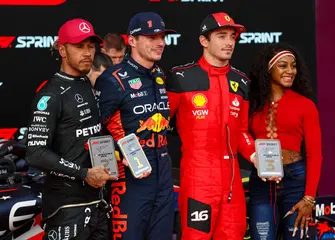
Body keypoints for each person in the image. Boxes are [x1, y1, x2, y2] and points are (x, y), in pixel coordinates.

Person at [166, 12, 256, 240]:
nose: (229, 42)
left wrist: (257, 155)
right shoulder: (181, 78)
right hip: (198, 179)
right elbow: (160, 124)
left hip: (233, 183)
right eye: (222, 36)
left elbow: (242, 131)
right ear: (204, 41)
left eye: (232, 37)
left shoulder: (242, 82)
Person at [26, 18, 117, 240]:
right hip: (66, 208)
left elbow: (89, 135)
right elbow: (35, 152)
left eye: (91, 46)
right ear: (62, 49)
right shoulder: (51, 95)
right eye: (79, 46)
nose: (87, 53)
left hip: (97, 201)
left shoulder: (86, 83)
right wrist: (84, 174)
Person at [94, 12, 176, 240]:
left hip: (162, 178)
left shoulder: (159, 74)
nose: (160, 42)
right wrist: (117, 156)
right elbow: (93, 134)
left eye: (162, 36)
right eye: (151, 37)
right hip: (129, 182)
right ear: (132, 40)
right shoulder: (112, 79)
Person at [248, 43, 322, 240]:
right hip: (262, 182)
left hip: (295, 182)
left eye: (293, 65)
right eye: (283, 65)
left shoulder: (305, 105)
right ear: (268, 69)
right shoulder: (253, 104)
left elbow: (314, 154)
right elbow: (241, 137)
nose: (290, 71)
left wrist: (309, 198)